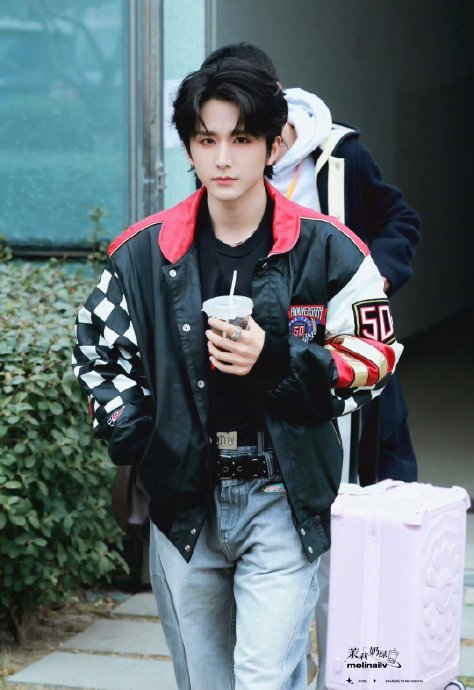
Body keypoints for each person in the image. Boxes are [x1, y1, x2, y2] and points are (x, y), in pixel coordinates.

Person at [72, 59, 403, 690]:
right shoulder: (143, 252)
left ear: (273, 145)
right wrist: (143, 438)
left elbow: (376, 355)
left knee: (263, 677)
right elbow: (98, 352)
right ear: (189, 148)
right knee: (204, 681)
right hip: (184, 503)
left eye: (242, 138)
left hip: (284, 494)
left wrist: (277, 359)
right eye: (207, 139)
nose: (223, 158)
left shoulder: (327, 247)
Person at [200, 43, 421, 688]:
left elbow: (400, 219)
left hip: (338, 358)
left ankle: (348, 672)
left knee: (343, 530)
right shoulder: (225, 166)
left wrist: (371, 280)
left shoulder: (341, 153)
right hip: (263, 369)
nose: (226, 151)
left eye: (245, 132)